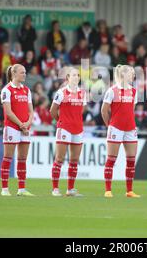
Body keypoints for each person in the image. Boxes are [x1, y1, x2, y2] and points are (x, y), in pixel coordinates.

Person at [101, 65, 140, 198]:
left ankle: (129, 191)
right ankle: (108, 190)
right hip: (115, 128)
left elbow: (131, 110)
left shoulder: (134, 91)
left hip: (130, 128)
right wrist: (109, 125)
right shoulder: (112, 91)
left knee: (131, 160)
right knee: (111, 159)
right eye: (132, 73)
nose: (134, 75)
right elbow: (104, 110)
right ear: (123, 75)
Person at [50, 67, 87, 197]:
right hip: (64, 128)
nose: (76, 77)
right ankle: (55, 189)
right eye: (73, 75)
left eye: (78, 75)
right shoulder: (61, 92)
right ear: (67, 78)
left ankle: (70, 189)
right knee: (59, 159)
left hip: (78, 129)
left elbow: (82, 110)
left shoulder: (83, 93)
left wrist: (74, 119)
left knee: (74, 160)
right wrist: (61, 122)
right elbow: (52, 111)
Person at [0, 64, 34, 197]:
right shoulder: (6, 90)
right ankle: (5, 188)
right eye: (22, 72)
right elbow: (8, 112)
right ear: (14, 74)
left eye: (25, 72)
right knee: (8, 158)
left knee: (22, 159)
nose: (24, 75)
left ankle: (21, 188)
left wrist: (28, 123)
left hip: (24, 128)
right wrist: (21, 125)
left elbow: (31, 111)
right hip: (12, 127)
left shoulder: (27, 90)